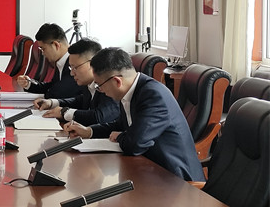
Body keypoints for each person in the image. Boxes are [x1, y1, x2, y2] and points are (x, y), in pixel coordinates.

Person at [65, 47, 205, 181]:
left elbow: (135, 144)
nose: (100, 90)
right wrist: (89, 131)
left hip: (176, 180)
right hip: (151, 171)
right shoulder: (132, 90)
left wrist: (120, 136)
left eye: (99, 85)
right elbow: (121, 124)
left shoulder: (153, 95)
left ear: (117, 81)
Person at [35, 38, 120, 126]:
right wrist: (53, 103)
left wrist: (64, 113)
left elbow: (100, 117)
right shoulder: (88, 83)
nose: (72, 73)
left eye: (75, 67)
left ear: (93, 64)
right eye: (71, 68)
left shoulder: (109, 84)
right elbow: (81, 100)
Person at [16, 22, 84, 99]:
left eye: (43, 49)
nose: (42, 53)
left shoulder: (75, 63)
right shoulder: (61, 62)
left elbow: (59, 93)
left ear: (56, 45)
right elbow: (52, 86)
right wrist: (28, 84)